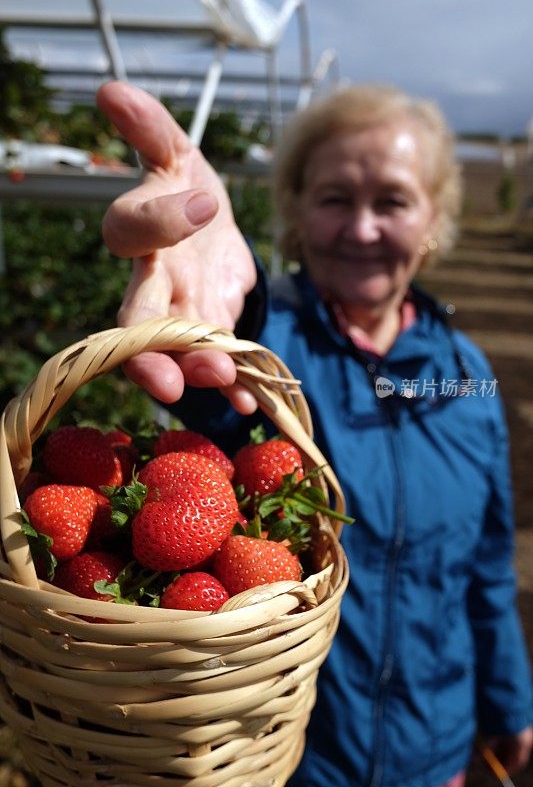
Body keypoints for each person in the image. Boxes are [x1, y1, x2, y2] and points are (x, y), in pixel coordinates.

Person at [96, 80, 532, 787]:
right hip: (289, 753)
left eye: (390, 200)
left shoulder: (464, 373)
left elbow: (486, 560)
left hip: (435, 748)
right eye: (335, 199)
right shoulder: (269, 347)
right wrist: (215, 312)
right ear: (296, 210)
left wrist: (508, 701)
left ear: (431, 219)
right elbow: (219, 383)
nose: (361, 229)